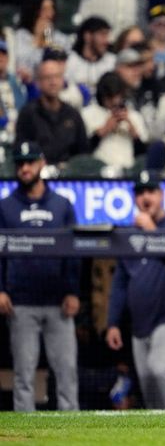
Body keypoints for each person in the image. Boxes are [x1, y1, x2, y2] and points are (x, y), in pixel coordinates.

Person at [106, 170, 165, 409]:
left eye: (151, 192)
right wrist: (113, 322)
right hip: (141, 324)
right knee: (149, 385)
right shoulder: (129, 235)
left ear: (161, 194)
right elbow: (120, 283)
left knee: (161, 367)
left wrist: (152, 233)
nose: (146, 198)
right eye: (140, 193)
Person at [0, 141, 80, 411]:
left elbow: (74, 252)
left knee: (66, 370)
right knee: (24, 373)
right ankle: (25, 434)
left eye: (30, 162)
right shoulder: (5, 206)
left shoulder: (61, 205)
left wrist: (73, 291)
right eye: (20, 163)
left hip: (58, 301)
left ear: (41, 163)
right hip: (21, 302)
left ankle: (73, 432)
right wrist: (0, 289)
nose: (25, 168)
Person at [15, 56, 89, 168]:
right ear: (38, 82)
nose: (53, 82)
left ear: (63, 80)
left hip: (69, 177)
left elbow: (83, 152)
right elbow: (21, 150)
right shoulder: (28, 114)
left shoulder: (73, 114)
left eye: (57, 77)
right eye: (47, 77)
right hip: (38, 175)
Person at [81, 71, 148, 170]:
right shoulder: (87, 114)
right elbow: (82, 152)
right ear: (102, 96)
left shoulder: (134, 116)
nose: (115, 101)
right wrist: (103, 130)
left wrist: (133, 131)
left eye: (117, 96)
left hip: (128, 171)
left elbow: (143, 155)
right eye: (110, 97)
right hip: (97, 171)